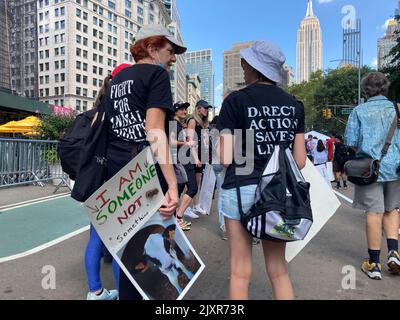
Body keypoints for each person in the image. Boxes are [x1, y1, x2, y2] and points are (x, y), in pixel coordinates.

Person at [217, 40, 306, 300]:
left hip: (240, 188)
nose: (243, 66)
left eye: (246, 63)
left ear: (255, 68)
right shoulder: (294, 104)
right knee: (278, 269)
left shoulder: (235, 101)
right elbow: (299, 161)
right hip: (277, 192)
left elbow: (224, 157)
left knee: (240, 271)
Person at [102, 24, 186, 299]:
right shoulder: (156, 75)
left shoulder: (117, 81)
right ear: (151, 48)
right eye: (170, 51)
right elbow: (154, 131)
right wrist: (172, 184)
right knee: (155, 248)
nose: (173, 59)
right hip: (145, 173)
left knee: (130, 254)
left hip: (116, 174)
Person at [345, 72, 400, 280]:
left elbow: (351, 141)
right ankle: (394, 252)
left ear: (366, 90)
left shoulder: (359, 111)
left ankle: (374, 263)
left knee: (373, 213)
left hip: (369, 169)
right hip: (396, 168)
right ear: (385, 88)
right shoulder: (397, 108)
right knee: (393, 209)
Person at [85, 64, 131, 301]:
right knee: (119, 239)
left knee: (96, 236)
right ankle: (124, 293)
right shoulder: (120, 109)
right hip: (114, 179)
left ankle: (95, 291)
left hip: (95, 180)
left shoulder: (97, 109)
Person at [169, 102, 199, 231]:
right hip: (181, 160)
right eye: (181, 109)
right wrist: (186, 143)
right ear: (175, 111)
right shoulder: (173, 124)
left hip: (183, 159)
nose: (185, 111)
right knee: (192, 188)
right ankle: (178, 217)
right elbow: (171, 142)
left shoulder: (179, 125)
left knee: (180, 188)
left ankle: (175, 218)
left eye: (186, 109)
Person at [186, 100, 212, 216]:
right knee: (189, 182)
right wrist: (196, 158)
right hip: (192, 155)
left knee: (198, 181)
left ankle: (196, 205)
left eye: (207, 108)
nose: (206, 110)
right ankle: (185, 207)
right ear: (197, 108)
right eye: (204, 108)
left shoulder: (204, 123)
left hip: (201, 155)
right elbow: (190, 141)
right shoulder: (192, 121)